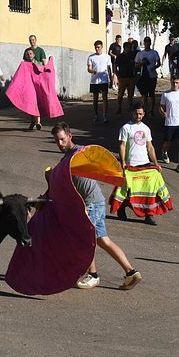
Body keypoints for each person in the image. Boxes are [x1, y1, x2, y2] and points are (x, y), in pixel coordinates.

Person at [50, 122, 142, 290]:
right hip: (96, 202)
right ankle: (131, 272)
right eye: (57, 141)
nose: (60, 144)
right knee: (102, 240)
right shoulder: (67, 159)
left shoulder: (81, 152)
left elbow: (97, 161)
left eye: (62, 139)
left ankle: (93, 275)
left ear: (70, 136)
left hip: (90, 204)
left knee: (85, 240)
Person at [116, 101, 170, 226]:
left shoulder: (146, 129)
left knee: (149, 190)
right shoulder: (126, 128)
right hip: (131, 165)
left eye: (140, 114)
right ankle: (121, 208)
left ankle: (149, 215)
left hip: (145, 164)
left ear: (144, 114)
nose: (138, 116)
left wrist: (155, 163)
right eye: (136, 113)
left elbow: (150, 147)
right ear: (132, 113)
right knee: (129, 191)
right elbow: (122, 146)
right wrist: (123, 162)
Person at [160, 75, 179, 174]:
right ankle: (164, 152)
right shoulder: (165, 94)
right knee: (168, 143)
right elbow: (160, 107)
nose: (175, 84)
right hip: (170, 122)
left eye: (177, 83)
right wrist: (163, 113)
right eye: (173, 82)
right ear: (170, 82)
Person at [87, 40, 113, 124]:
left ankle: (105, 115)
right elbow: (89, 68)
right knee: (95, 99)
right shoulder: (91, 57)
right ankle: (96, 114)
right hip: (94, 81)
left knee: (105, 98)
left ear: (102, 47)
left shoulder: (107, 57)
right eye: (95, 47)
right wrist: (92, 71)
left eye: (98, 47)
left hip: (104, 80)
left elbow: (109, 68)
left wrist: (111, 78)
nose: (97, 49)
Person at [134, 37, 161, 116]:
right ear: (144, 43)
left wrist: (154, 68)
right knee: (144, 94)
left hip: (152, 76)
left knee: (152, 93)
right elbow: (136, 65)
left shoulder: (154, 52)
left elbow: (159, 63)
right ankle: (145, 109)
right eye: (145, 42)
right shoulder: (140, 53)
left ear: (150, 43)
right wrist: (142, 64)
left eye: (148, 42)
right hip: (143, 76)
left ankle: (152, 110)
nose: (147, 44)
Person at [22, 47, 43, 131]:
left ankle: (37, 122)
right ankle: (34, 122)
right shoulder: (24, 64)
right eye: (27, 54)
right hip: (28, 87)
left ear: (34, 55)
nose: (29, 55)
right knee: (30, 105)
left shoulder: (39, 63)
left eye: (30, 54)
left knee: (36, 105)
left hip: (37, 87)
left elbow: (44, 72)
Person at [115, 41, 136, 114]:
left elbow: (135, 65)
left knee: (131, 94)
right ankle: (119, 107)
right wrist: (117, 75)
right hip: (122, 78)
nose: (130, 49)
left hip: (131, 77)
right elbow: (115, 66)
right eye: (129, 47)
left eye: (131, 48)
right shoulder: (120, 56)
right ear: (125, 48)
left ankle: (130, 106)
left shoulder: (133, 56)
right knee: (120, 93)